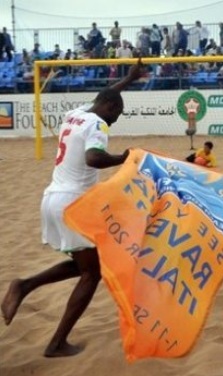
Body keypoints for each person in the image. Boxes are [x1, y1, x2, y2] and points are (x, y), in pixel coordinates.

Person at [0, 59, 145, 358]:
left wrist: (127, 80)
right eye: (115, 114)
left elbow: (106, 95)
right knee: (92, 274)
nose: (115, 120)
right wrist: (124, 158)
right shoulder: (98, 123)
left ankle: (25, 286)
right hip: (74, 204)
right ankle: (55, 343)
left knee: (89, 265)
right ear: (107, 109)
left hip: (52, 198)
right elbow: (94, 158)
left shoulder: (76, 113)